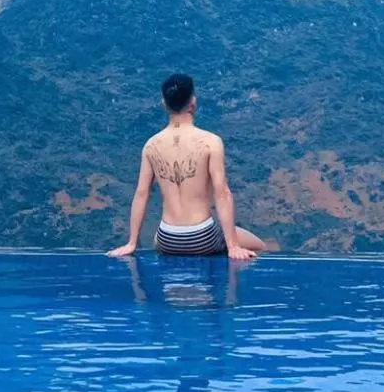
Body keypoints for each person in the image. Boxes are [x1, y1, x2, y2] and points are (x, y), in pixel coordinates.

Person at [107, 73, 266, 262]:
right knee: (259, 245)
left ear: (164, 104)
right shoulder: (211, 142)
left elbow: (142, 194)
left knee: (159, 237)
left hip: (167, 239)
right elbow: (222, 193)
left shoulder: (151, 145)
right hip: (202, 237)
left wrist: (132, 243)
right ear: (193, 102)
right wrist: (233, 246)